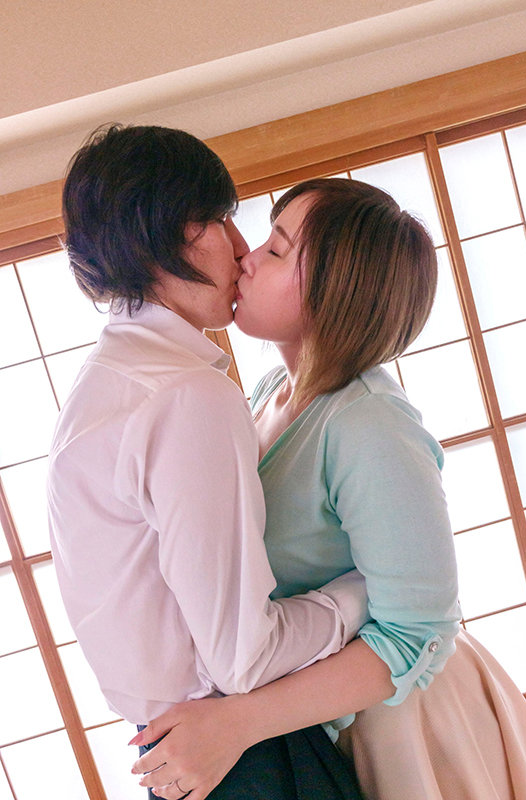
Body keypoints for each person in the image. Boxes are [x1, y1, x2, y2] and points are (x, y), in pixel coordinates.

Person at [133, 178, 526, 800]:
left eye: (277, 249)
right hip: (320, 722)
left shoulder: (368, 422)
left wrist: (237, 723)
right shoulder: (270, 393)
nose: (247, 258)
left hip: (408, 725)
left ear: (335, 289)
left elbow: (418, 631)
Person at [47, 126, 375, 800]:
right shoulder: (185, 395)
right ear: (161, 236)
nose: (240, 245)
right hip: (244, 756)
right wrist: (366, 591)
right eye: (218, 219)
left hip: (184, 756)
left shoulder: (105, 382)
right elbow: (244, 658)